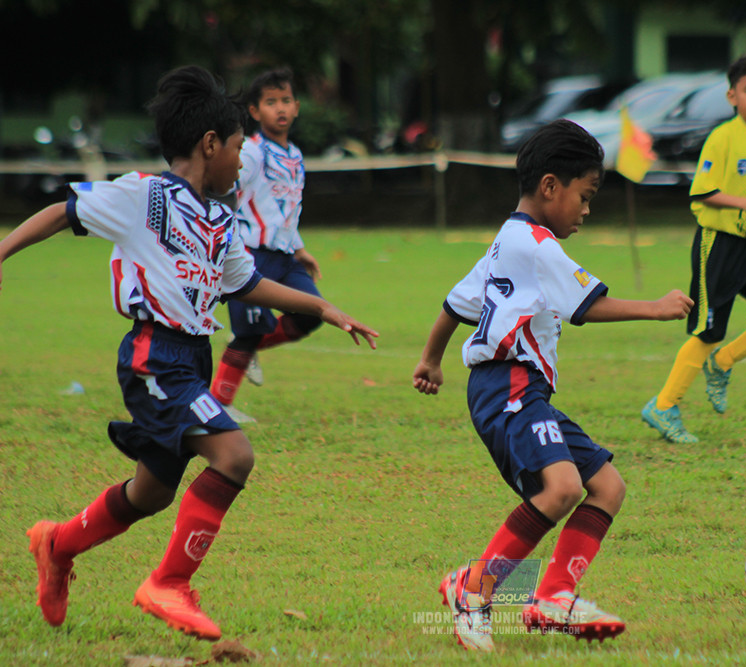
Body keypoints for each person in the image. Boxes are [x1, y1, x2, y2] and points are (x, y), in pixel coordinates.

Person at [0, 66, 378, 641]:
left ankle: (57, 542)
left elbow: (245, 283)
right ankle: (168, 583)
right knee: (235, 455)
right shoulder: (142, 196)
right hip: (154, 355)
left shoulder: (219, 221)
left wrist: (322, 307)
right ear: (210, 145)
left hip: (192, 357)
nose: (240, 162)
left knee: (150, 492)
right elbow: (62, 212)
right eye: (235, 149)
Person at [412, 119, 693, 651]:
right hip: (507, 384)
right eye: (584, 196)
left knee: (607, 485)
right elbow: (587, 305)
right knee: (562, 488)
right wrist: (655, 308)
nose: (587, 209)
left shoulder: (506, 239)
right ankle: (474, 589)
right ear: (549, 186)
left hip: (519, 389)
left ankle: (553, 596)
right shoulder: (537, 246)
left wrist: (431, 359)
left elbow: (456, 302)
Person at [641, 50, 746, 444]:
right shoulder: (723, 137)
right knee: (708, 331)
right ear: (733, 97)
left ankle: (724, 363)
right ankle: (663, 406)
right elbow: (704, 191)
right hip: (718, 245)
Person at [209, 67, 319, 421]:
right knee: (249, 331)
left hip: (285, 258)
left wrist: (300, 249)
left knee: (312, 313)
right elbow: (226, 191)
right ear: (255, 112)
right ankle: (218, 406)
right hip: (251, 256)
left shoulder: (296, 155)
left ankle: (248, 343)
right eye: (271, 102)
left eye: (286, 100)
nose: (280, 108)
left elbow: (285, 208)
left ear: (297, 107)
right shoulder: (252, 153)